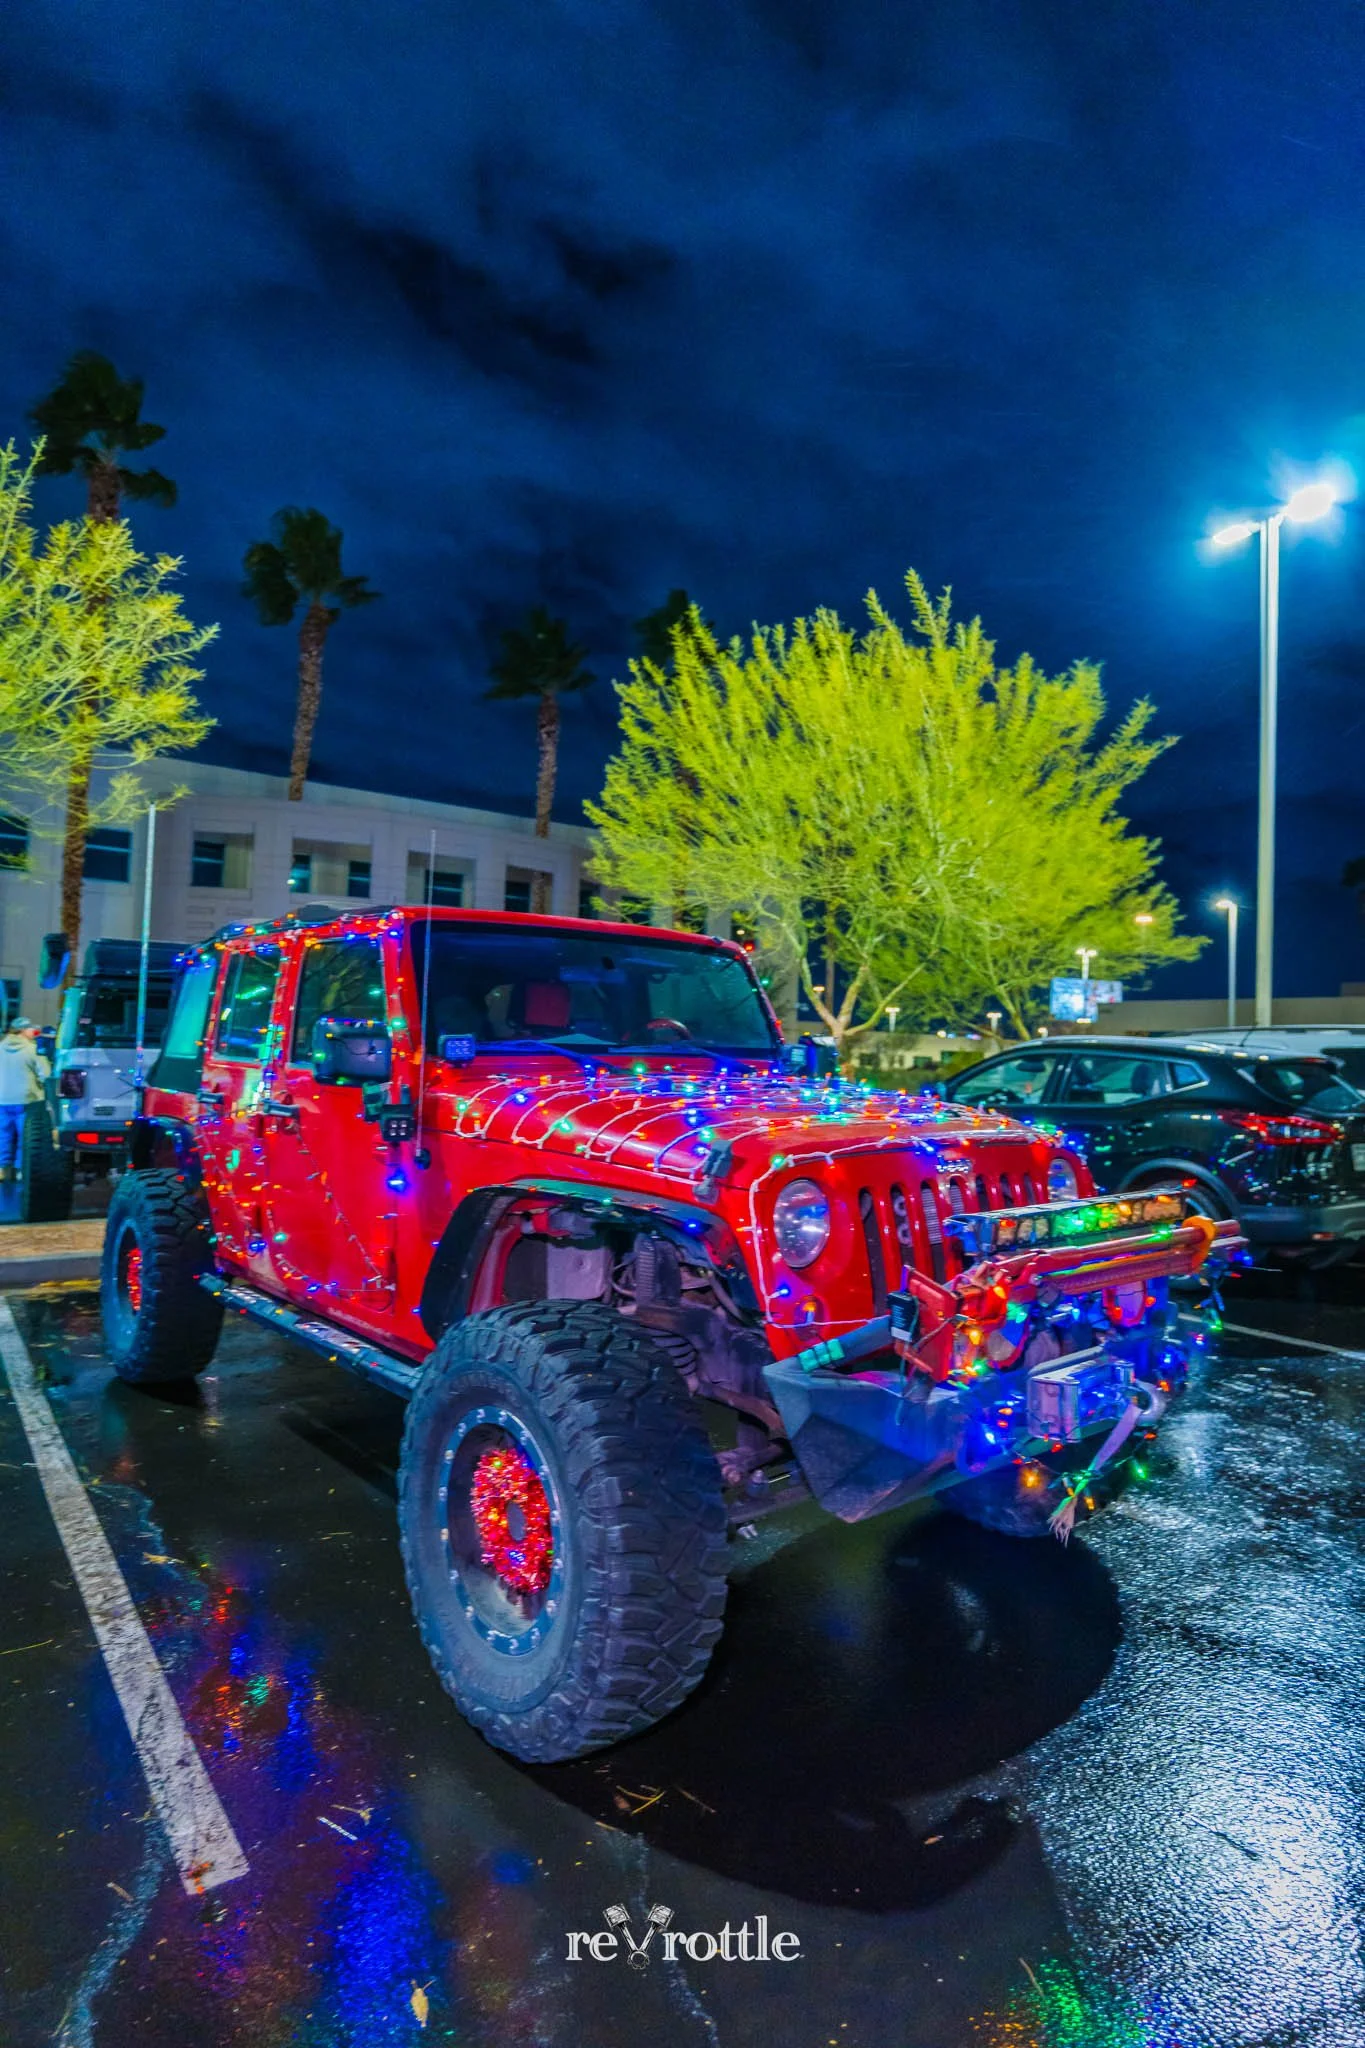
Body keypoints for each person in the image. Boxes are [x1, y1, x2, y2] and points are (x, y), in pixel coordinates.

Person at [0, 1018, 50, 1184]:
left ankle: (2, 1168)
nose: (34, 1034)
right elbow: (46, 1075)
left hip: (2, 1099)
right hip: (27, 1100)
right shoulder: (32, 1049)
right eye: (31, 1030)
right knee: (26, 1137)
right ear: (22, 1031)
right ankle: (21, 1169)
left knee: (3, 1135)